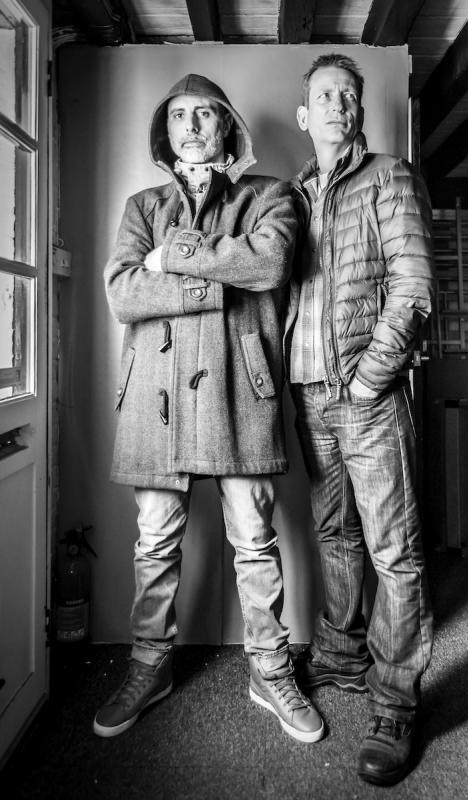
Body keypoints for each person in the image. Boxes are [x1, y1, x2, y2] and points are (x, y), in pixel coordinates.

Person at [94, 72, 323, 744]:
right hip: (153, 398)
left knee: (255, 542)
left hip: (238, 392)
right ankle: (149, 665)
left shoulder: (270, 195)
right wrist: (211, 285)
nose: (191, 126)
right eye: (178, 115)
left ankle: (269, 669)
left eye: (204, 114)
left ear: (227, 126)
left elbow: (269, 264)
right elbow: (122, 293)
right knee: (154, 543)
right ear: (163, 132)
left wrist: (173, 258)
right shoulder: (142, 206)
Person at [285, 53, 435, 785]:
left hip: (367, 396)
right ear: (304, 115)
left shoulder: (389, 177)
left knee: (393, 551)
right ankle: (341, 655)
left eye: (348, 95)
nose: (338, 104)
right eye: (324, 95)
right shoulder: (291, 195)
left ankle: (396, 702)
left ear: (359, 110)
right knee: (335, 534)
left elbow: (413, 287)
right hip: (307, 395)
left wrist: (372, 377)